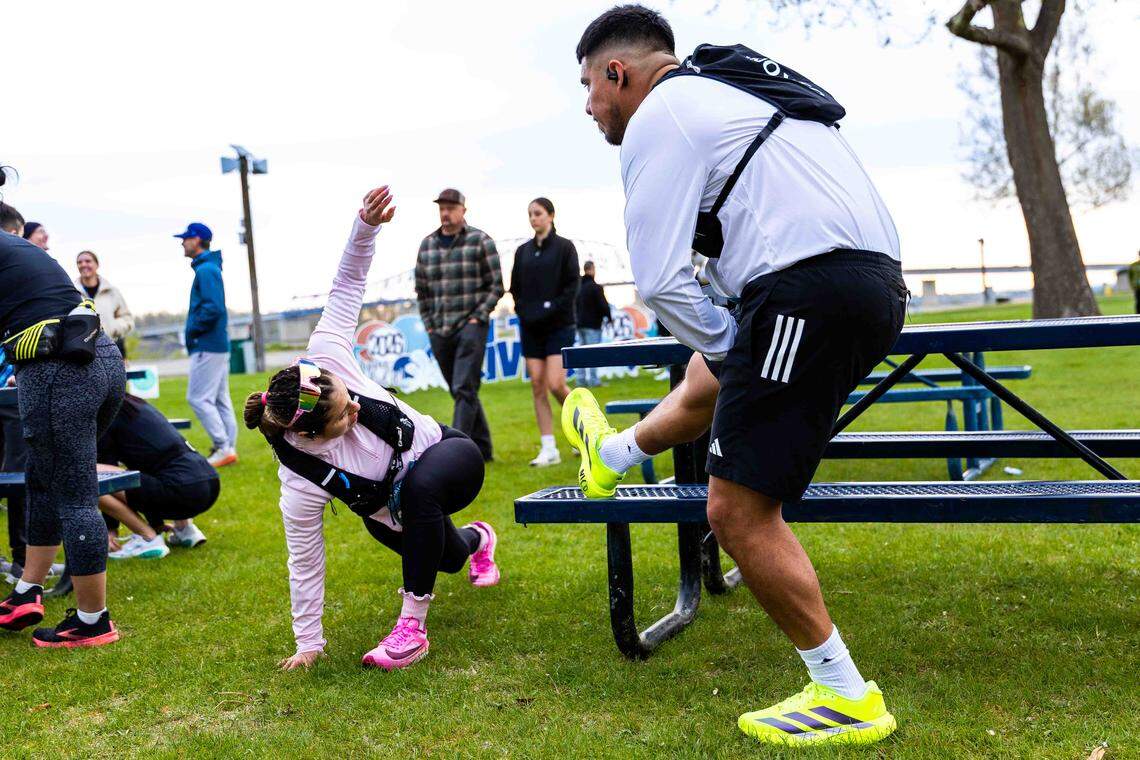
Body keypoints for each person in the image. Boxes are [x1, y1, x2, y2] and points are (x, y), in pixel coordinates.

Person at [565, 7, 906, 747]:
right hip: (871, 281)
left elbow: (658, 283)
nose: (589, 107)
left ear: (618, 74)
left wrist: (732, 348)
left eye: (589, 87)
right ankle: (614, 454)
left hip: (809, 287)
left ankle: (845, 695)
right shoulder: (730, 95)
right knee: (707, 372)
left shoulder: (663, 115)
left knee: (737, 513)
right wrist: (729, 353)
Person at [246, 186, 501, 672]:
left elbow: (347, 284)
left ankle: (412, 630)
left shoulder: (327, 350)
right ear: (312, 439)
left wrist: (365, 225)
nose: (355, 412)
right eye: (343, 419)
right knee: (446, 557)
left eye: (347, 399)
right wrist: (308, 643)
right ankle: (478, 541)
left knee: (423, 489)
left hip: (448, 456)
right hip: (390, 509)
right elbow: (305, 563)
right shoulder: (300, 476)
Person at [0, 161, 126, 647]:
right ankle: (27, 589)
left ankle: (93, 621)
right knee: (46, 476)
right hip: (99, 360)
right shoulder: (16, 247)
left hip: (60, 370)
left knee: (73, 489)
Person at [414, 189, 504, 462]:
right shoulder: (427, 245)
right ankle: (483, 449)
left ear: (463, 210)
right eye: (441, 207)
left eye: (451, 207)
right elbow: (421, 291)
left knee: (464, 387)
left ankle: (455, 454)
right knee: (461, 390)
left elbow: (496, 285)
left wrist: (479, 316)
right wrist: (429, 324)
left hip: (471, 326)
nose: (445, 212)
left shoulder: (480, 241)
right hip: (439, 329)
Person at [95, 395, 218, 560]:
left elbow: (107, 480)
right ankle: (184, 530)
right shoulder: (135, 404)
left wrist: (111, 529)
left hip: (183, 490)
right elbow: (146, 469)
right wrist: (157, 524)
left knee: (83, 474)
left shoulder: (106, 414)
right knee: (165, 464)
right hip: (209, 481)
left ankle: (148, 538)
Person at [509, 197, 580, 466]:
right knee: (537, 385)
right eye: (530, 214)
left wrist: (550, 310)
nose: (533, 218)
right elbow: (515, 288)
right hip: (531, 327)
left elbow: (572, 286)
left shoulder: (565, 248)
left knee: (555, 383)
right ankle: (549, 448)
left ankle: (586, 431)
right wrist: (523, 310)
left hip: (559, 326)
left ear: (550, 215)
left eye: (537, 213)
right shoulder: (523, 251)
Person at [176, 222, 238, 468]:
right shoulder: (208, 268)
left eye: (185, 238)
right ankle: (228, 448)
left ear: (198, 240)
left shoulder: (206, 270)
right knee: (220, 399)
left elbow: (213, 308)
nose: (182, 242)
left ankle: (223, 447)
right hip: (216, 344)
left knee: (198, 398)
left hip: (207, 344)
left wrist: (193, 331)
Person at [75, 250, 135, 359]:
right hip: (83, 352)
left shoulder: (112, 292)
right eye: (80, 262)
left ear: (97, 265)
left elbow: (127, 319)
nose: (83, 264)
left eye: (88, 261)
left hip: (111, 349)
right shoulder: (72, 293)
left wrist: (113, 327)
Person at [575, 260, 611, 388]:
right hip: (593, 325)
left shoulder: (578, 287)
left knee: (581, 354)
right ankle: (594, 380)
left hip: (579, 325)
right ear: (591, 269)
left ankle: (581, 381)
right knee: (593, 354)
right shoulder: (595, 288)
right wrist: (609, 318)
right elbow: (603, 306)